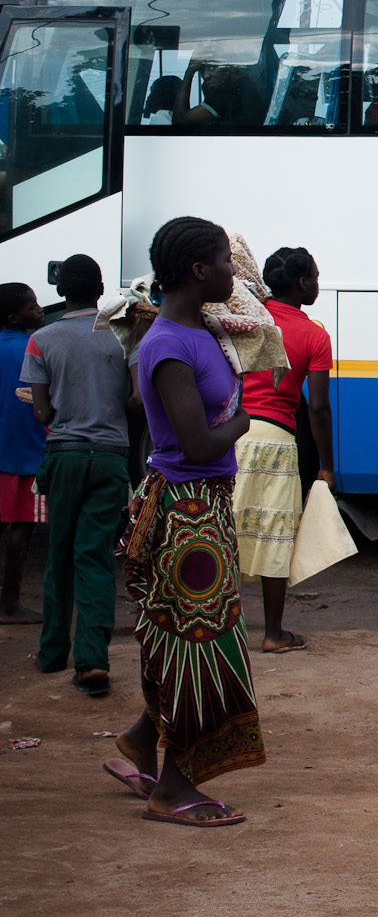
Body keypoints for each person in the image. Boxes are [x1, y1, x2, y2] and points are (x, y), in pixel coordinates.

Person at [111, 217, 264, 826]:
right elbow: (198, 445)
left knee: (191, 639)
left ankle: (140, 744)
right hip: (183, 512)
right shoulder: (167, 343)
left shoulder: (200, 329)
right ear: (199, 271)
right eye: (226, 262)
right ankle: (172, 790)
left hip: (204, 508)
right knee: (199, 647)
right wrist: (243, 424)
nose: (234, 272)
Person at [23, 255, 131, 696]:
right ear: (101, 289)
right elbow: (139, 399)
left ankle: (52, 654)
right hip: (110, 458)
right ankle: (92, 661)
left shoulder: (41, 338)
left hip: (63, 456)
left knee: (59, 555)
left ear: (60, 292)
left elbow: (43, 410)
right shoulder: (124, 338)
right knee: (96, 555)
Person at [230, 246, 336, 654]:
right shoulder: (314, 334)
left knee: (226, 530)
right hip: (275, 439)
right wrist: (326, 465)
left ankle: (220, 624)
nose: (318, 284)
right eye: (316, 277)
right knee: (274, 535)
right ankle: (273, 633)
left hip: (232, 435)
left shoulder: (247, 319)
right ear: (303, 283)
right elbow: (319, 409)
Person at [0, 283, 47, 625]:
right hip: (28, 451)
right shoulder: (34, 348)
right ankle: (10, 604)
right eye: (32, 305)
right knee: (22, 526)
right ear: (16, 317)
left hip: (4, 451)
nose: (40, 308)